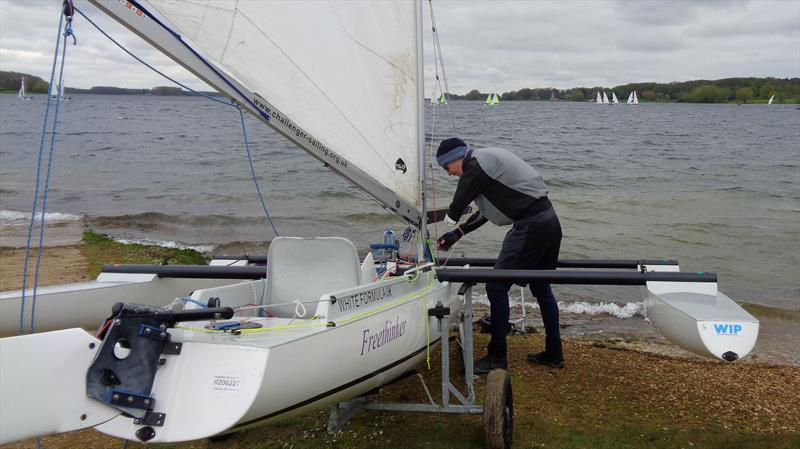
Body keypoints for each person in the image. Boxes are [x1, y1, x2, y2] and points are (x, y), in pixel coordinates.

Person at [435, 137, 564, 373]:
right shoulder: (487, 163)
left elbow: (460, 199)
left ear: (456, 158)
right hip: (549, 221)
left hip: (531, 225)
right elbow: (486, 212)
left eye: (446, 167)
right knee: (542, 288)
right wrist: (458, 232)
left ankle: (496, 357)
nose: (448, 173)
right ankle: (554, 353)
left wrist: (448, 218)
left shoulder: (475, 164)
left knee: (496, 286)